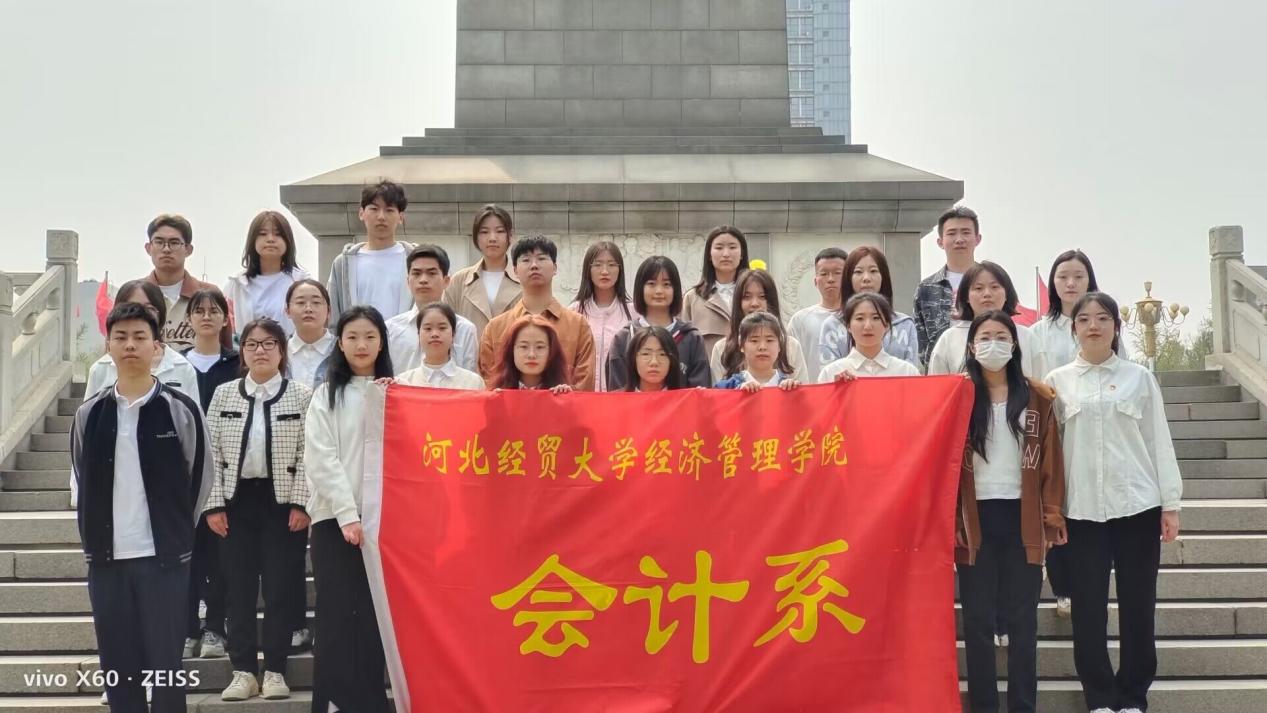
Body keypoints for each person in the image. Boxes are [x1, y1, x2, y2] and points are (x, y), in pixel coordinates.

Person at [71, 302, 212, 713]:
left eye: (139, 337)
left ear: (157, 346)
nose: (130, 345)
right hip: (107, 561)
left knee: (166, 667)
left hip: (163, 559)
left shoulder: (179, 409)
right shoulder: (89, 414)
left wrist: (175, 531)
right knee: (118, 667)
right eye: (120, 337)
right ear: (108, 346)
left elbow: (200, 477)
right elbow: (82, 473)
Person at [1045, 292, 1182, 713]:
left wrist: (1170, 503)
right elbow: (1050, 454)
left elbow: (1158, 440)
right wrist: (1052, 510)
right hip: (1081, 511)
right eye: (1084, 319)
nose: (1093, 325)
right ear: (1073, 328)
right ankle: (1100, 698)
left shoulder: (1139, 378)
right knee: (1087, 610)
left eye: (1103, 318)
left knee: (1138, 605)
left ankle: (1134, 695)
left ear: (1116, 327)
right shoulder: (1056, 382)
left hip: (1137, 507)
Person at [954, 310, 1066, 713]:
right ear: (972, 346)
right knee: (978, 621)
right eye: (984, 337)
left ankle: (1022, 705)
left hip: (1023, 516)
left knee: (1023, 621)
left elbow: (1052, 462)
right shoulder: (957, 396)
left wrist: (1052, 517)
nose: (993, 344)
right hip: (974, 519)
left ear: (1015, 345)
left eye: (1002, 336)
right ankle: (983, 705)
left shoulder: (1038, 396)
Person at [204, 319, 312, 701]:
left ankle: (276, 670)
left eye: (269, 344)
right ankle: (244, 671)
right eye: (251, 344)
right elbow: (210, 453)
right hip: (235, 504)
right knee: (238, 590)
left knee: (281, 589)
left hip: (282, 504)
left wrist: (301, 502)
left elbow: (309, 453)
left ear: (282, 351)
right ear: (242, 351)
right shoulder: (224, 395)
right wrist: (213, 505)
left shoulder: (301, 395)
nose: (260, 351)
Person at [304, 306, 394, 713]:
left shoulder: (394, 393)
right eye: (353, 337)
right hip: (334, 521)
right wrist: (347, 514)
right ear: (339, 343)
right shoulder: (326, 395)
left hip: (383, 524)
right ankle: (333, 702)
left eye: (370, 337)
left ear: (382, 343)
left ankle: (371, 702)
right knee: (336, 614)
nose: (361, 345)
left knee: (375, 619)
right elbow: (321, 458)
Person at [1030, 249, 1119, 620]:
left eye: (1078, 276)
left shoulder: (1105, 325)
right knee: (1056, 506)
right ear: (1053, 283)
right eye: (1063, 277)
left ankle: (1086, 586)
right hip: (1053, 426)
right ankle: (1062, 587)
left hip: (1093, 430)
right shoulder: (1038, 332)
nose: (1070, 283)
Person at [179, 289, 238, 661]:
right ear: (188, 318)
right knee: (186, 555)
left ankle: (216, 627)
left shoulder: (236, 363)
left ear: (224, 318)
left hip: (226, 474)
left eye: (214, 310)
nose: (206, 316)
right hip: (183, 475)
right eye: (198, 310)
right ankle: (187, 629)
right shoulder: (176, 364)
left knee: (219, 558)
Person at [478, 236, 595, 391]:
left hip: (563, 407)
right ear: (515, 270)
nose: (534, 265)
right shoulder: (495, 328)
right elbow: (488, 382)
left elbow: (584, 385)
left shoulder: (578, 325)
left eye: (541, 258)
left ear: (555, 268)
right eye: (526, 260)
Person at [605, 256, 711, 390]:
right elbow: (617, 392)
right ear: (640, 288)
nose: (659, 291)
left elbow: (700, 392)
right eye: (651, 284)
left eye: (666, 284)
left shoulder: (691, 338)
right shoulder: (624, 338)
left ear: (675, 289)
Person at [327, 181, 417, 321]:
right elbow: (333, 314)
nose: (381, 217)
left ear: (401, 217)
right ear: (361, 213)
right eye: (374, 209)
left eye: (389, 210)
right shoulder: (343, 264)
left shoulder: (416, 260)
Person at [927, 262, 1037, 378]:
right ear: (966, 296)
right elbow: (937, 384)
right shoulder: (949, 339)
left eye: (994, 287)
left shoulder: (1026, 337)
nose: (987, 294)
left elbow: (1041, 384)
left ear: (1006, 294)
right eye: (978, 288)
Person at [819, 245, 921, 370]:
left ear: (883, 276)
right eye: (858, 272)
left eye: (873, 271)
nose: (866, 278)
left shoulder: (905, 325)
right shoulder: (832, 325)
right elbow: (830, 376)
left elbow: (911, 376)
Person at [142, 213, 230, 351]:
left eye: (174, 243)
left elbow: (227, 351)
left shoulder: (210, 294)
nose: (166, 249)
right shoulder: (135, 295)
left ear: (188, 250)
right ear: (148, 248)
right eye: (159, 242)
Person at [387, 245, 478, 373]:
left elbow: (470, 377)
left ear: (446, 281)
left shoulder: (464, 329)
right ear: (408, 281)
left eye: (431, 273)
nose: (423, 280)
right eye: (416, 273)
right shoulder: (391, 329)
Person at [711, 269, 808, 383]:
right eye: (747, 297)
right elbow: (717, 392)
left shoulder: (791, 347)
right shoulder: (722, 349)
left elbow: (803, 390)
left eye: (762, 297)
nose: (754, 303)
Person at [222, 211, 310, 337]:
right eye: (263, 234)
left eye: (278, 234)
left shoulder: (301, 281)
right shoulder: (236, 284)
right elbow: (226, 328)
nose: (270, 239)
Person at [914, 205, 981, 366]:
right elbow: (921, 341)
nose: (959, 239)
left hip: (985, 369)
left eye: (966, 232)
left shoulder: (992, 283)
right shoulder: (926, 288)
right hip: (941, 371)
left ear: (978, 239)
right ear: (940, 242)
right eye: (951, 233)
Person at [443, 204, 523, 337]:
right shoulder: (458, 281)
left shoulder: (524, 278)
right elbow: (445, 326)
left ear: (510, 236)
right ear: (476, 237)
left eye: (500, 231)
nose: (492, 238)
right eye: (484, 232)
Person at [569, 241, 637, 392]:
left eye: (612, 265)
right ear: (588, 270)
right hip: (582, 396)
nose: (605, 271)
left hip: (622, 396)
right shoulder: (574, 312)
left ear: (620, 270)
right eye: (598, 265)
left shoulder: (634, 312)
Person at [818, 293, 921, 381]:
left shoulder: (907, 372)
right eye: (860, 318)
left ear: (887, 325)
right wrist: (835, 390)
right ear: (848, 326)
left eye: (876, 318)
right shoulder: (831, 373)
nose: (867, 326)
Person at [683, 225, 751, 355]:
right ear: (709, 254)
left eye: (732, 247)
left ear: (742, 254)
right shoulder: (693, 298)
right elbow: (684, 345)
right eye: (719, 248)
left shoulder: (756, 296)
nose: (726, 254)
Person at [787, 247, 847, 382]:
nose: (830, 279)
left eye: (837, 273)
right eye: (824, 274)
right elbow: (789, 362)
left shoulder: (859, 319)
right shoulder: (799, 320)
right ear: (815, 281)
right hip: (812, 392)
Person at [395, 303, 484, 390]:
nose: (435, 334)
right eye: (428, 329)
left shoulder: (473, 383)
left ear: (453, 334)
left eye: (442, 328)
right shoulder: (403, 383)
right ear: (418, 334)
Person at [714, 312, 802, 392]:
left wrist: (793, 392)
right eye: (754, 341)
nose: (762, 347)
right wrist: (738, 394)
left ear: (779, 345)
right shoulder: (726, 388)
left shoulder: (790, 387)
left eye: (769, 340)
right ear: (741, 345)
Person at [489, 316, 574, 394]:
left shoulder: (560, 393)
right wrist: (496, 401)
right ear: (511, 350)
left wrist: (565, 398)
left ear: (552, 351)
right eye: (524, 346)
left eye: (540, 347)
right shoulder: (498, 392)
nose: (531, 355)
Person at [285, 279, 336, 390]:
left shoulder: (342, 349)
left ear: (329, 311)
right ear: (287, 310)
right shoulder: (278, 351)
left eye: (316, 303)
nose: (308, 309)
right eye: (300, 303)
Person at [622, 326, 687, 392]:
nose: (654, 362)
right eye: (646, 354)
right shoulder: (617, 397)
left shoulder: (686, 398)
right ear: (633, 359)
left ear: (671, 360)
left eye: (662, 354)